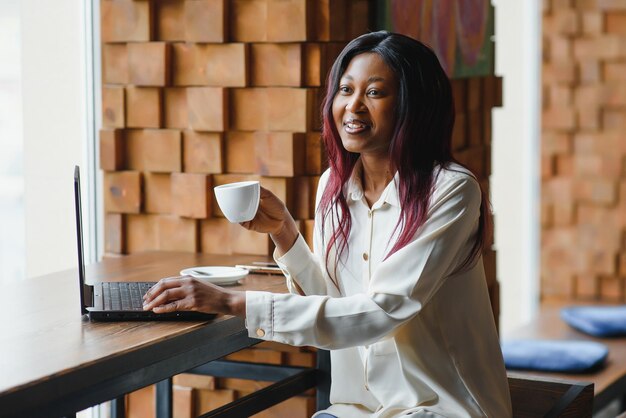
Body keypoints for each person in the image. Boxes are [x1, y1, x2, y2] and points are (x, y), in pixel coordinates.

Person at [143, 31, 512, 418]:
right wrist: (285, 234)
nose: (353, 106)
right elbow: (337, 306)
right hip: (357, 409)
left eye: (374, 92)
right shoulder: (332, 189)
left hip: (441, 408)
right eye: (345, 89)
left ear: (412, 106)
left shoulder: (451, 191)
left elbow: (379, 313)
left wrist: (231, 301)